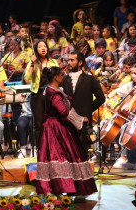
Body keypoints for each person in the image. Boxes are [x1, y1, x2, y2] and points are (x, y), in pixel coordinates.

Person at [36, 66, 97, 196]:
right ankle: (66, 188)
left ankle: (62, 188)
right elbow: (63, 112)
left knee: (61, 158)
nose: (63, 77)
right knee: (63, 156)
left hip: (53, 126)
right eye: (62, 75)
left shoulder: (52, 90)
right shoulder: (54, 93)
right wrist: (80, 120)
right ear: (56, 77)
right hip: (56, 128)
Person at [62, 51, 105, 154]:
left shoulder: (90, 79)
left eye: (72, 60)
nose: (69, 62)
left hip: (84, 120)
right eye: (68, 60)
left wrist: (88, 110)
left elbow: (101, 98)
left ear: (80, 62)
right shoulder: (64, 79)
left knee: (82, 152)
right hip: (68, 120)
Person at [24, 40, 58, 147]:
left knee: (53, 122)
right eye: (40, 47)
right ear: (36, 50)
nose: (43, 48)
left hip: (51, 94)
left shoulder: (53, 62)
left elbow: (58, 78)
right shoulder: (33, 63)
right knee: (38, 124)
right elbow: (27, 78)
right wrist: (32, 64)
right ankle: (40, 148)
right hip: (37, 94)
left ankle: (53, 147)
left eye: (45, 46)